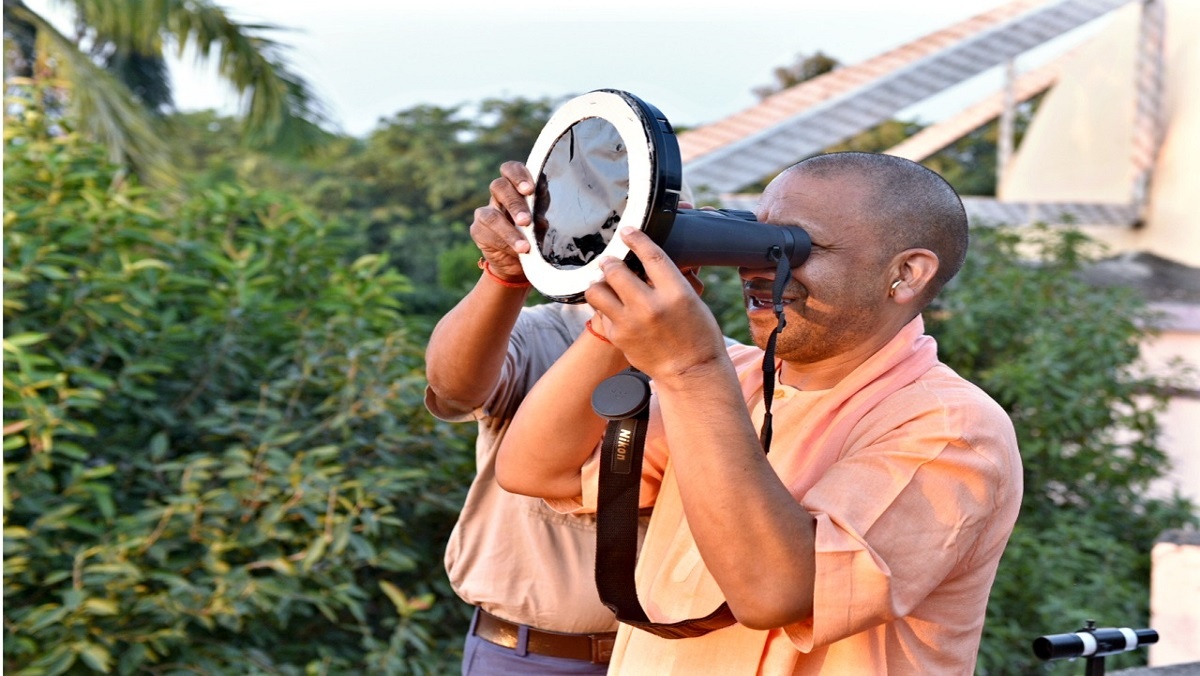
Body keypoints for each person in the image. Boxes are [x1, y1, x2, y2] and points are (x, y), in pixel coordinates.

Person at [493, 151, 1024, 674]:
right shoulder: (736, 379)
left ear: (906, 273)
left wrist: (689, 369)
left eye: (797, 244)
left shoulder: (951, 428)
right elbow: (534, 470)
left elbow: (774, 593)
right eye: (756, 237)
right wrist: (617, 307)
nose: (758, 266)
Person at [424, 167, 709, 673]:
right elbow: (454, 387)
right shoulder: (534, 333)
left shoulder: (722, 367)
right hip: (525, 655)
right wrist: (504, 275)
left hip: (671, 657)